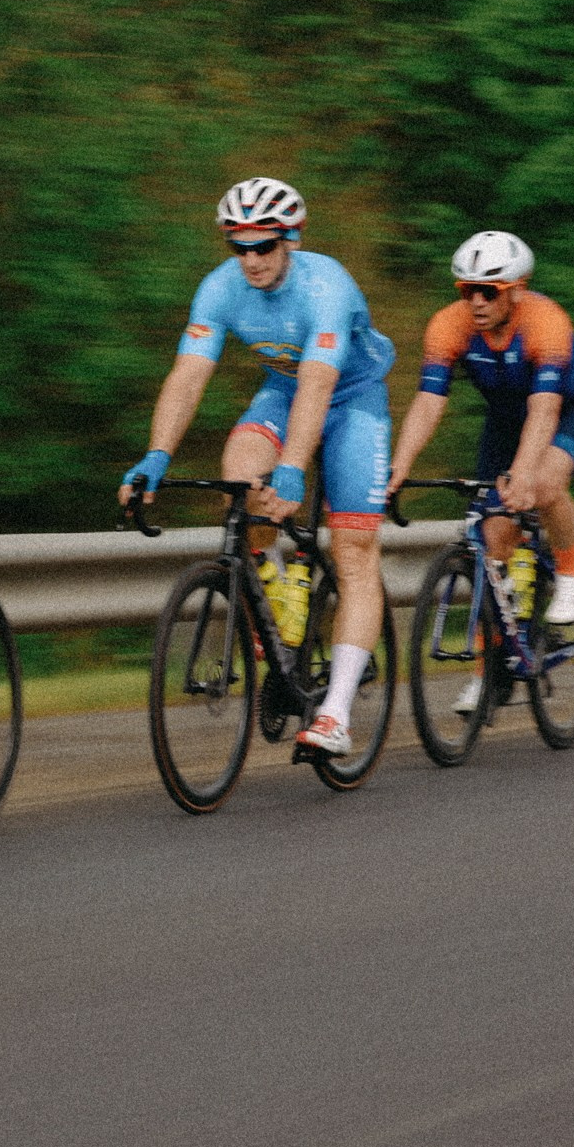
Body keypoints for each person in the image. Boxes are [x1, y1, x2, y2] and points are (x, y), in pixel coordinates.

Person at [114, 177, 397, 756]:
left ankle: (335, 715)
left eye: (263, 245)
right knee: (239, 480)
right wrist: (157, 454)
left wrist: (293, 468)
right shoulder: (220, 289)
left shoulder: (326, 286)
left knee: (353, 550)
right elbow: (189, 374)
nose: (251, 259)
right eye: (238, 246)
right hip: (284, 390)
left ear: (289, 239)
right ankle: (279, 592)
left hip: (353, 400)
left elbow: (321, 384)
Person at [389, 231, 574, 712]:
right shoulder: (449, 326)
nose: (477, 302)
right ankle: (489, 674)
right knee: (492, 540)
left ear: (518, 289)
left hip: (571, 409)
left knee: (545, 483)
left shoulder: (546, 323)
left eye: (490, 291)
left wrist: (525, 474)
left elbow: (545, 411)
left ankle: (572, 571)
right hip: (506, 422)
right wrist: (398, 465)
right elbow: (428, 402)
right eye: (467, 291)